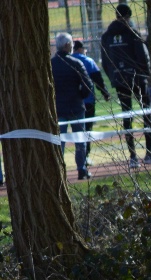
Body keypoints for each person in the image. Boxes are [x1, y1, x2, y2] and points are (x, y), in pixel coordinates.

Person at [102, 2, 151, 169]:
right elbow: (143, 56)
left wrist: (113, 78)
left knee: (127, 117)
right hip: (138, 79)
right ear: (128, 17)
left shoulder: (107, 36)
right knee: (147, 114)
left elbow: (105, 62)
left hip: (119, 80)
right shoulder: (133, 33)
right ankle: (148, 153)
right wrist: (147, 75)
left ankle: (133, 157)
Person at [53, 33, 96, 180]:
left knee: (60, 142)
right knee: (80, 140)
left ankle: (59, 171)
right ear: (67, 45)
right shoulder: (76, 63)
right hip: (76, 107)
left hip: (58, 108)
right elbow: (88, 85)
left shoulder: (50, 64)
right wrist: (80, 96)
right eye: (71, 44)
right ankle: (81, 170)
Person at [72, 40, 113, 143]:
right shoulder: (89, 61)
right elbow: (98, 80)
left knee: (75, 131)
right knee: (88, 130)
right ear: (80, 49)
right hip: (88, 100)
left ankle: (80, 154)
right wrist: (105, 93)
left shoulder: (67, 61)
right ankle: (85, 154)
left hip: (71, 102)